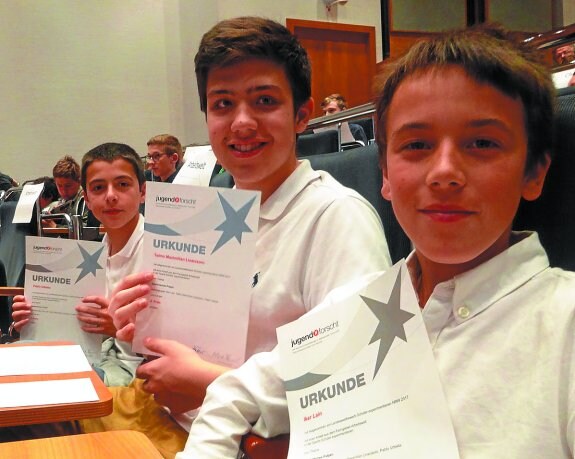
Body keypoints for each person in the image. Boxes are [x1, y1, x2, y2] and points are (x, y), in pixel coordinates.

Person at [180, 24, 575, 458]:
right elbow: (231, 398)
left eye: (482, 143)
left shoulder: (562, 325)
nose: (444, 171)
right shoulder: (358, 307)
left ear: (534, 171)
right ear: (385, 174)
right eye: (417, 144)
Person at [86, 16, 392, 458]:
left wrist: (206, 383)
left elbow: (355, 377)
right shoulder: (207, 215)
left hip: (236, 442)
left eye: (264, 100)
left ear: (302, 114)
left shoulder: (335, 217)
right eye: (223, 104)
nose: (241, 123)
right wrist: (140, 328)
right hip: (161, 411)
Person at [11, 143, 146, 386]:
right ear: (87, 198)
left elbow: (186, 343)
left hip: (134, 372)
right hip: (96, 355)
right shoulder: (96, 253)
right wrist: (35, 319)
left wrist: (117, 328)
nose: (111, 195)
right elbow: (90, 326)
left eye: (123, 184)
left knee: (32, 387)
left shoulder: (162, 254)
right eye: (98, 187)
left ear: (143, 191)